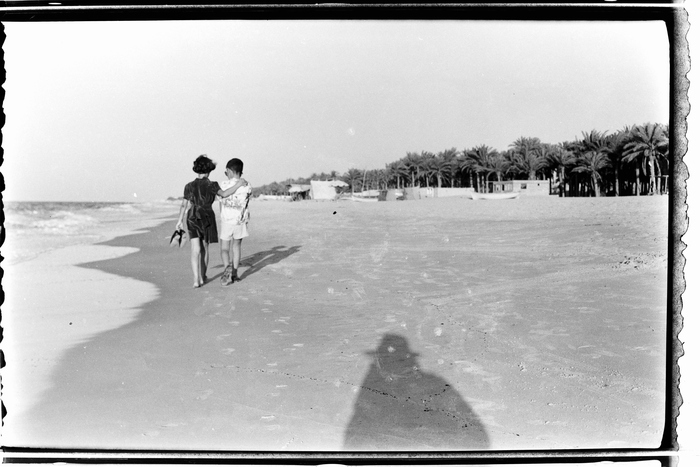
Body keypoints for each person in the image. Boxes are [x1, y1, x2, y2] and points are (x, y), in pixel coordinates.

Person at [175, 155, 247, 288]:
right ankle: (203, 276)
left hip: (192, 217)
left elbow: (183, 205)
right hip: (207, 217)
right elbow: (225, 194)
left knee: (195, 249)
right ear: (209, 170)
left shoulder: (189, 186)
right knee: (205, 249)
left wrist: (179, 222)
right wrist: (238, 184)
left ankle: (196, 280)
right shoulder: (212, 185)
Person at [217, 158, 252, 286]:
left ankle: (227, 267)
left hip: (226, 221)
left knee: (224, 249)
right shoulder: (247, 186)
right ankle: (235, 273)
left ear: (229, 171)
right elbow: (247, 202)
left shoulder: (223, 185)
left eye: (226, 172)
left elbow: (220, 200)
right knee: (236, 247)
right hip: (240, 221)